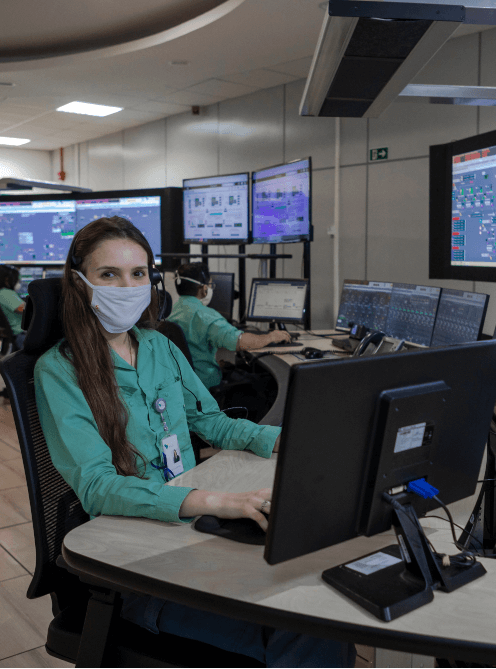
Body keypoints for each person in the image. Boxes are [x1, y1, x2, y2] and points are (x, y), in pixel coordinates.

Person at [33, 216, 355, 668]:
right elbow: (98, 485)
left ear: (153, 280)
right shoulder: (59, 370)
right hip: (138, 569)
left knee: (317, 595)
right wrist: (212, 500)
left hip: (190, 534)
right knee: (308, 625)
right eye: (109, 274)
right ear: (79, 282)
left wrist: (295, 442)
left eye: (138, 273)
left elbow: (213, 423)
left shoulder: (159, 346)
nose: (127, 286)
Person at [168, 263, 291, 390]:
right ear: (203, 289)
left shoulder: (172, 311)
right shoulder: (205, 316)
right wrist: (270, 337)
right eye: (210, 285)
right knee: (263, 382)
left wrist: (212, 365)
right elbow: (239, 342)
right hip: (205, 387)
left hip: (184, 385)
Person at [0, 264, 26, 350]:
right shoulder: (5, 293)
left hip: (18, 335)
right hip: (21, 334)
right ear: (7, 279)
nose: (18, 282)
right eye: (17, 280)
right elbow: (23, 309)